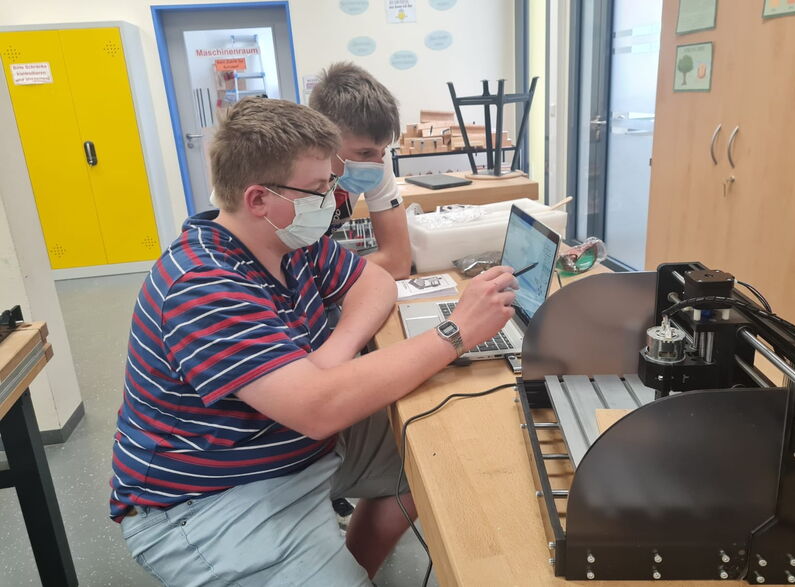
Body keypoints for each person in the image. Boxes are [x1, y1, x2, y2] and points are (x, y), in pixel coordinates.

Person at [109, 98, 517, 586]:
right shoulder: (204, 285)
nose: (332, 198)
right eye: (319, 188)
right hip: (211, 494)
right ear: (258, 199)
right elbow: (317, 409)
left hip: (290, 445)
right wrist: (456, 332)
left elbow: (375, 282)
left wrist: (329, 356)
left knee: (431, 453)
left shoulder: (287, 242)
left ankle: (351, 569)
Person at [309, 62, 412, 279]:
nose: (377, 163)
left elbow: (398, 262)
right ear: (323, 141)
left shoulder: (376, 157)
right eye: (364, 153)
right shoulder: (287, 172)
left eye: (383, 150)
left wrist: (330, 273)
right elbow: (282, 276)